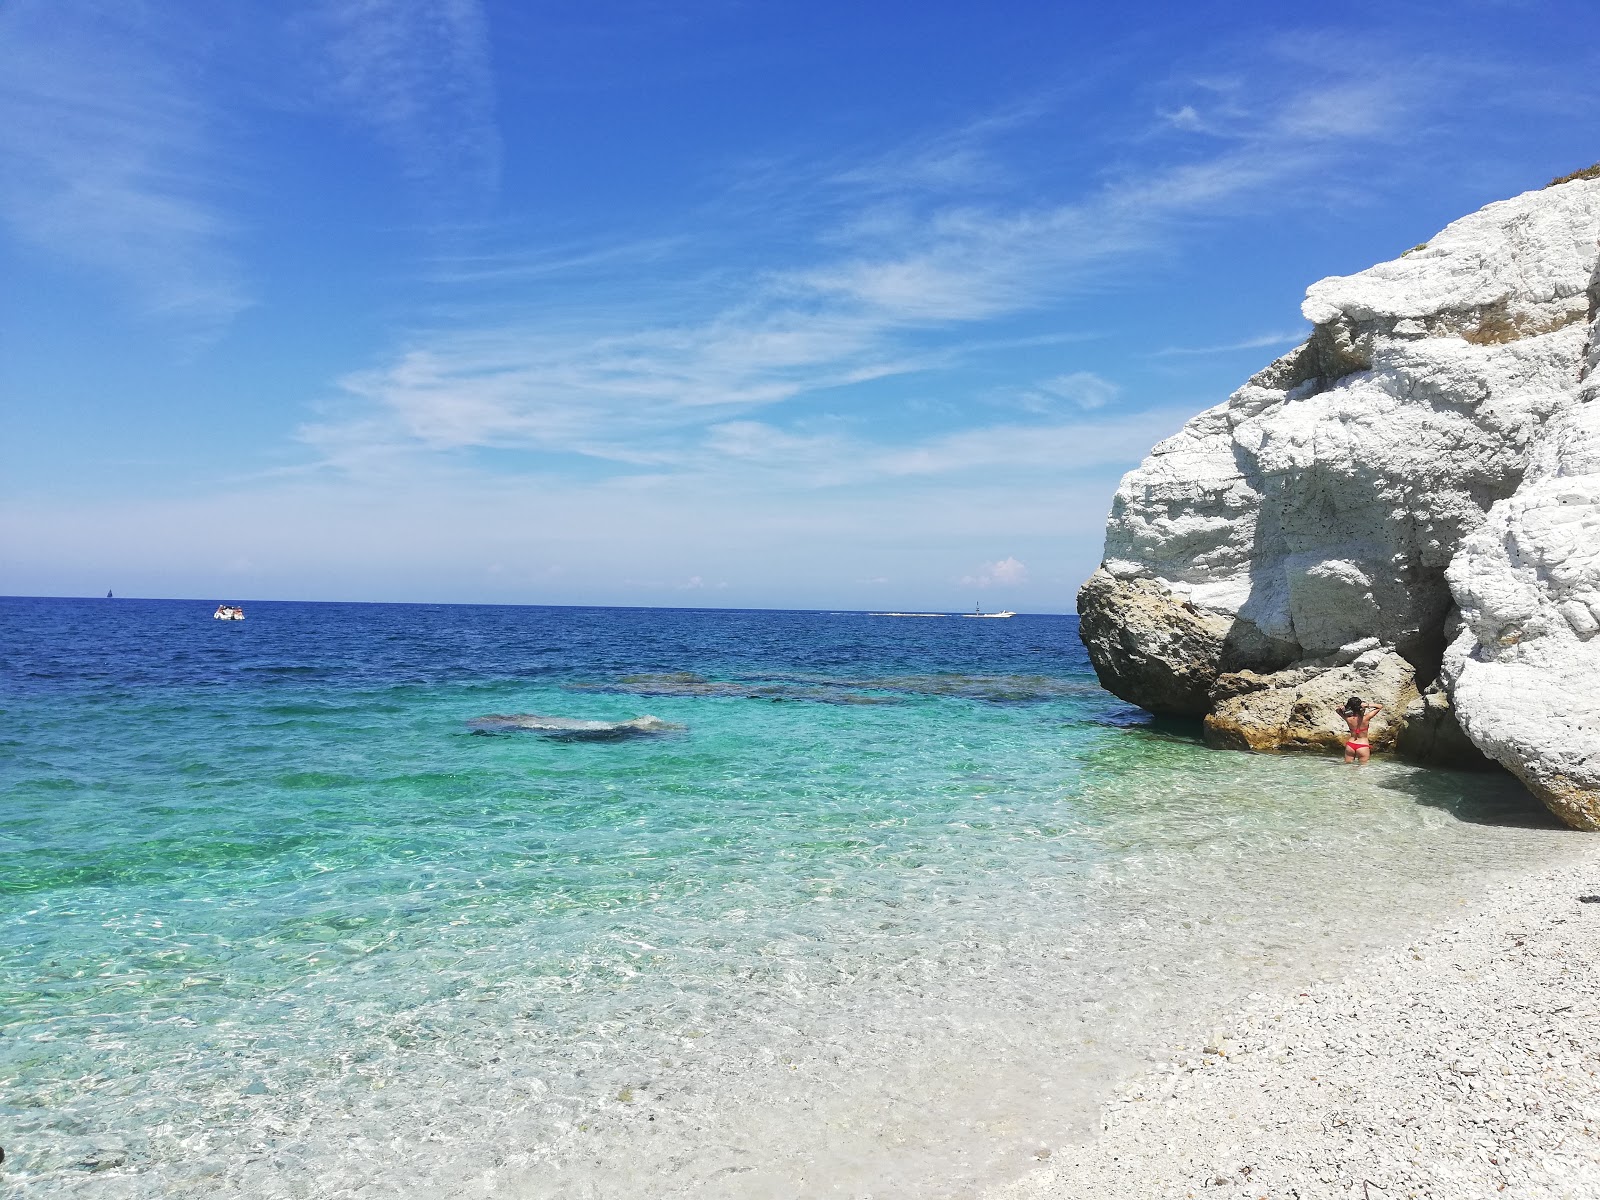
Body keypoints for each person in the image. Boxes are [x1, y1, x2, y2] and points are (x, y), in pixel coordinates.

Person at [1339, 696, 1382, 764]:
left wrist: (1344, 707)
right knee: (1362, 769)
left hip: (1351, 744)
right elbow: (1380, 706)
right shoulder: (1366, 718)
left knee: (1347, 767)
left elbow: (1338, 710)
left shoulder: (1348, 718)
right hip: (1362, 745)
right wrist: (1367, 705)